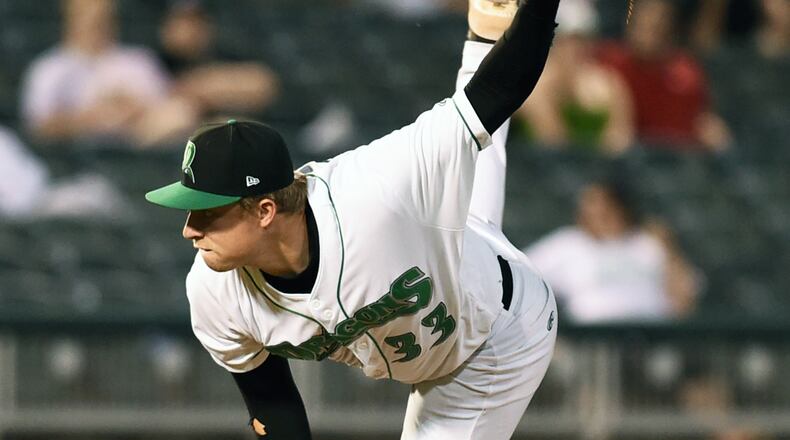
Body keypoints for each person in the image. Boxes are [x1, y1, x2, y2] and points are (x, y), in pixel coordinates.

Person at [145, 0, 560, 438]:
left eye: (208, 212)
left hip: (491, 338)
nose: (189, 229)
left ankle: (490, 40)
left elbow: (497, 95)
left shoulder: (376, 190)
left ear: (265, 210)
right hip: (440, 249)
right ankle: (487, 34)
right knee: (451, 195)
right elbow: (274, 404)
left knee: (457, 159)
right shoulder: (213, 293)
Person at [523, 179, 699, 323]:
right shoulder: (568, 243)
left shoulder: (647, 243)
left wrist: (670, 249)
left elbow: (684, 301)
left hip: (651, 340)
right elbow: (521, 276)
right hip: (591, 344)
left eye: (602, 207)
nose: (594, 213)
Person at [20, 0, 192, 147]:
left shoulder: (137, 60)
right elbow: (38, 126)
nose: (95, 22)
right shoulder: (50, 67)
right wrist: (89, 117)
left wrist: (132, 109)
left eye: (102, 15)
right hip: (76, 157)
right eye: (86, 14)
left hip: (137, 143)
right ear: (70, 17)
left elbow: (167, 105)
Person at [596, 0, 732, 152]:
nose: (649, 30)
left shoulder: (686, 75)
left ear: (670, 30)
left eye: (657, 24)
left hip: (674, 161)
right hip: (624, 158)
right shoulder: (609, 64)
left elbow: (701, 123)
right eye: (643, 23)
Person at [514, 0, 635, 153]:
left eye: (583, 41)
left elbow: (620, 143)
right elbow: (552, 141)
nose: (576, 49)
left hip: (593, 174)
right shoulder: (532, 84)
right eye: (568, 41)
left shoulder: (610, 84)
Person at [157, 1, 280, 119]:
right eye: (181, 22)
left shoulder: (223, 54)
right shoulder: (151, 59)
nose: (191, 30)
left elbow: (263, 83)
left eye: (197, 21)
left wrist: (206, 86)